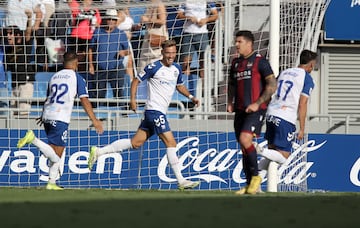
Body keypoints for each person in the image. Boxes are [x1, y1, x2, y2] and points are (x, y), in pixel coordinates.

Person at [87, 40, 201, 190]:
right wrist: (132, 100)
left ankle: (99, 151)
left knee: (136, 143)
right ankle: (181, 181)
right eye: (168, 53)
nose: (171, 56)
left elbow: (179, 85)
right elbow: (135, 81)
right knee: (171, 143)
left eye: (173, 53)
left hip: (157, 113)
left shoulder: (177, 68)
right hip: (154, 111)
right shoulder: (154, 67)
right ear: (162, 52)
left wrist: (191, 97)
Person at [17, 51, 104, 190]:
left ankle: (51, 182)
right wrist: (94, 120)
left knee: (57, 152)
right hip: (60, 117)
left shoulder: (54, 77)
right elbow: (84, 100)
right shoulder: (77, 78)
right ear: (76, 62)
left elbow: (48, 98)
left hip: (47, 116)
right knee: (56, 156)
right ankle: (33, 139)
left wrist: (42, 114)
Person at [227, 30, 276, 195]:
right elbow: (232, 84)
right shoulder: (235, 63)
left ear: (249, 43)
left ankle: (256, 177)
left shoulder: (260, 62)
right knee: (244, 146)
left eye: (240, 41)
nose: (237, 44)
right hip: (240, 110)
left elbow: (272, 85)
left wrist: (258, 103)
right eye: (236, 41)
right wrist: (229, 102)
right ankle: (250, 186)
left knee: (245, 138)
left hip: (256, 110)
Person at [256, 50, 317, 173]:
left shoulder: (284, 72)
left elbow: (272, 89)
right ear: (311, 64)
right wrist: (302, 128)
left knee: (272, 154)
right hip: (285, 117)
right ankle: (258, 149)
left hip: (271, 114)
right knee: (284, 157)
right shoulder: (307, 78)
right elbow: (302, 103)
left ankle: (254, 183)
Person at [88, 9, 129, 104]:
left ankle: (122, 114)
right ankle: (98, 115)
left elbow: (128, 51)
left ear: (116, 21)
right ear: (105, 19)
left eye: (113, 19)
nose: (111, 21)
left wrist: (124, 52)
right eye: (109, 19)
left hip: (116, 68)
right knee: (99, 93)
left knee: (119, 92)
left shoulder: (120, 34)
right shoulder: (98, 32)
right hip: (100, 68)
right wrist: (91, 65)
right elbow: (90, 49)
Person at [3, 11, 35, 116]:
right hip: (14, 85)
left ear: (17, 35)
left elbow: (28, 33)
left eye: (10, 33)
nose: (8, 36)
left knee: (23, 113)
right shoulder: (8, 51)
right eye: (7, 34)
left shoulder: (24, 46)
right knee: (13, 114)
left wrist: (29, 19)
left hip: (25, 84)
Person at [177, 0, 218, 78]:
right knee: (186, 63)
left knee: (203, 63)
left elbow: (215, 15)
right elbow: (179, 15)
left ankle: (204, 87)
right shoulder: (184, 1)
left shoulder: (208, 1)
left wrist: (206, 20)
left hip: (202, 33)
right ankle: (186, 85)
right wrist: (189, 17)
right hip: (187, 33)